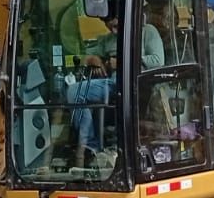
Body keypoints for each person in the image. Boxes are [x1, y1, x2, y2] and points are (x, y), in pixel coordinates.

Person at [64, 10, 167, 160]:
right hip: (113, 84)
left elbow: (158, 60)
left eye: (116, 26)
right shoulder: (107, 40)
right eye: (109, 27)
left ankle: (91, 144)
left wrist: (121, 62)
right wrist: (93, 59)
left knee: (76, 92)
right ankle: (91, 148)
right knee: (75, 91)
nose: (113, 31)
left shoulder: (147, 32)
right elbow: (81, 56)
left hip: (138, 83)